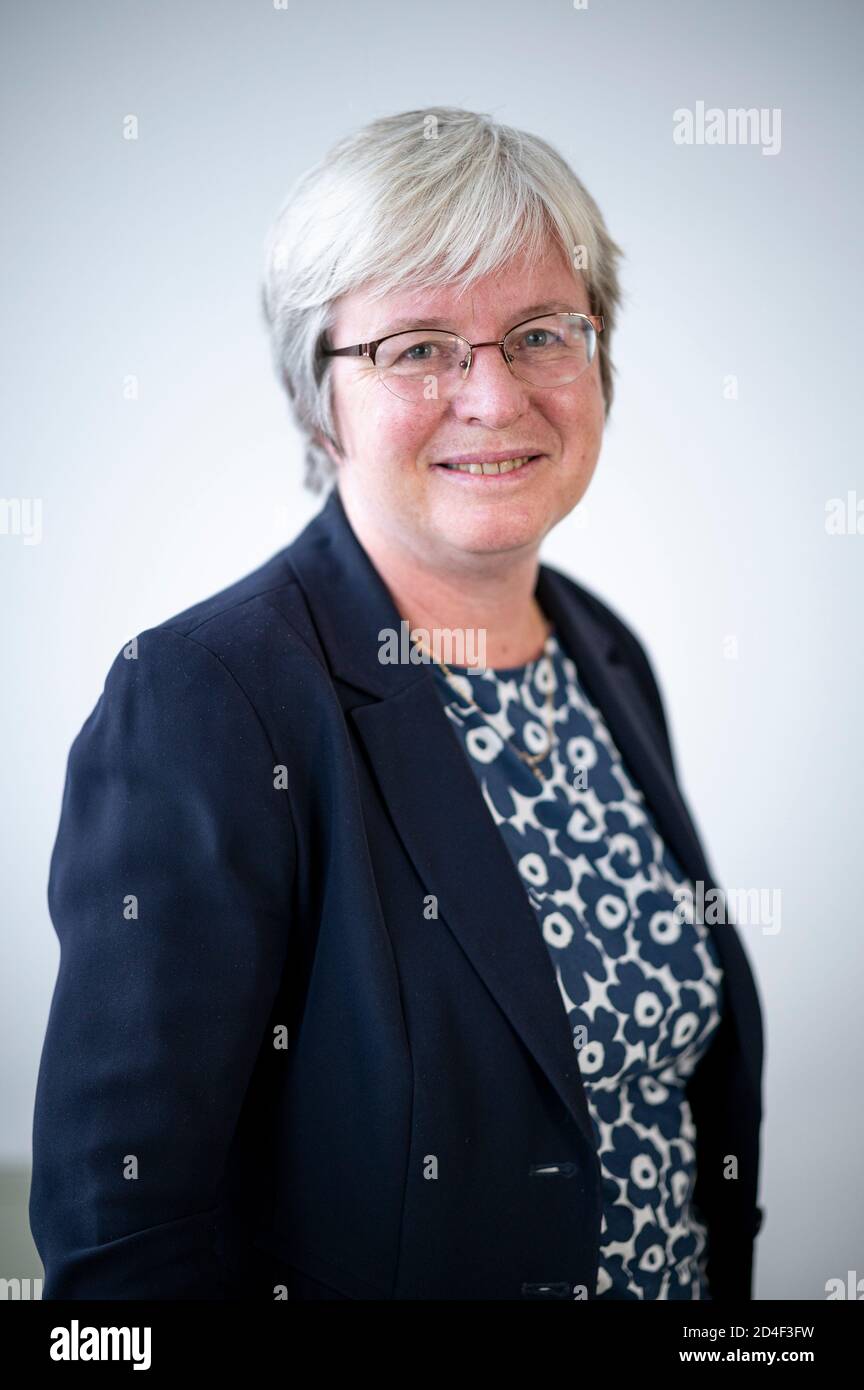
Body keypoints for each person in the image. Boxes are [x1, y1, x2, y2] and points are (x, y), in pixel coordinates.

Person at [30, 106, 764, 1301]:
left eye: (541, 333)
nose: (494, 395)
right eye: (417, 347)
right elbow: (124, 1251)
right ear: (320, 399)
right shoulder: (204, 702)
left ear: (601, 360)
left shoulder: (604, 653)